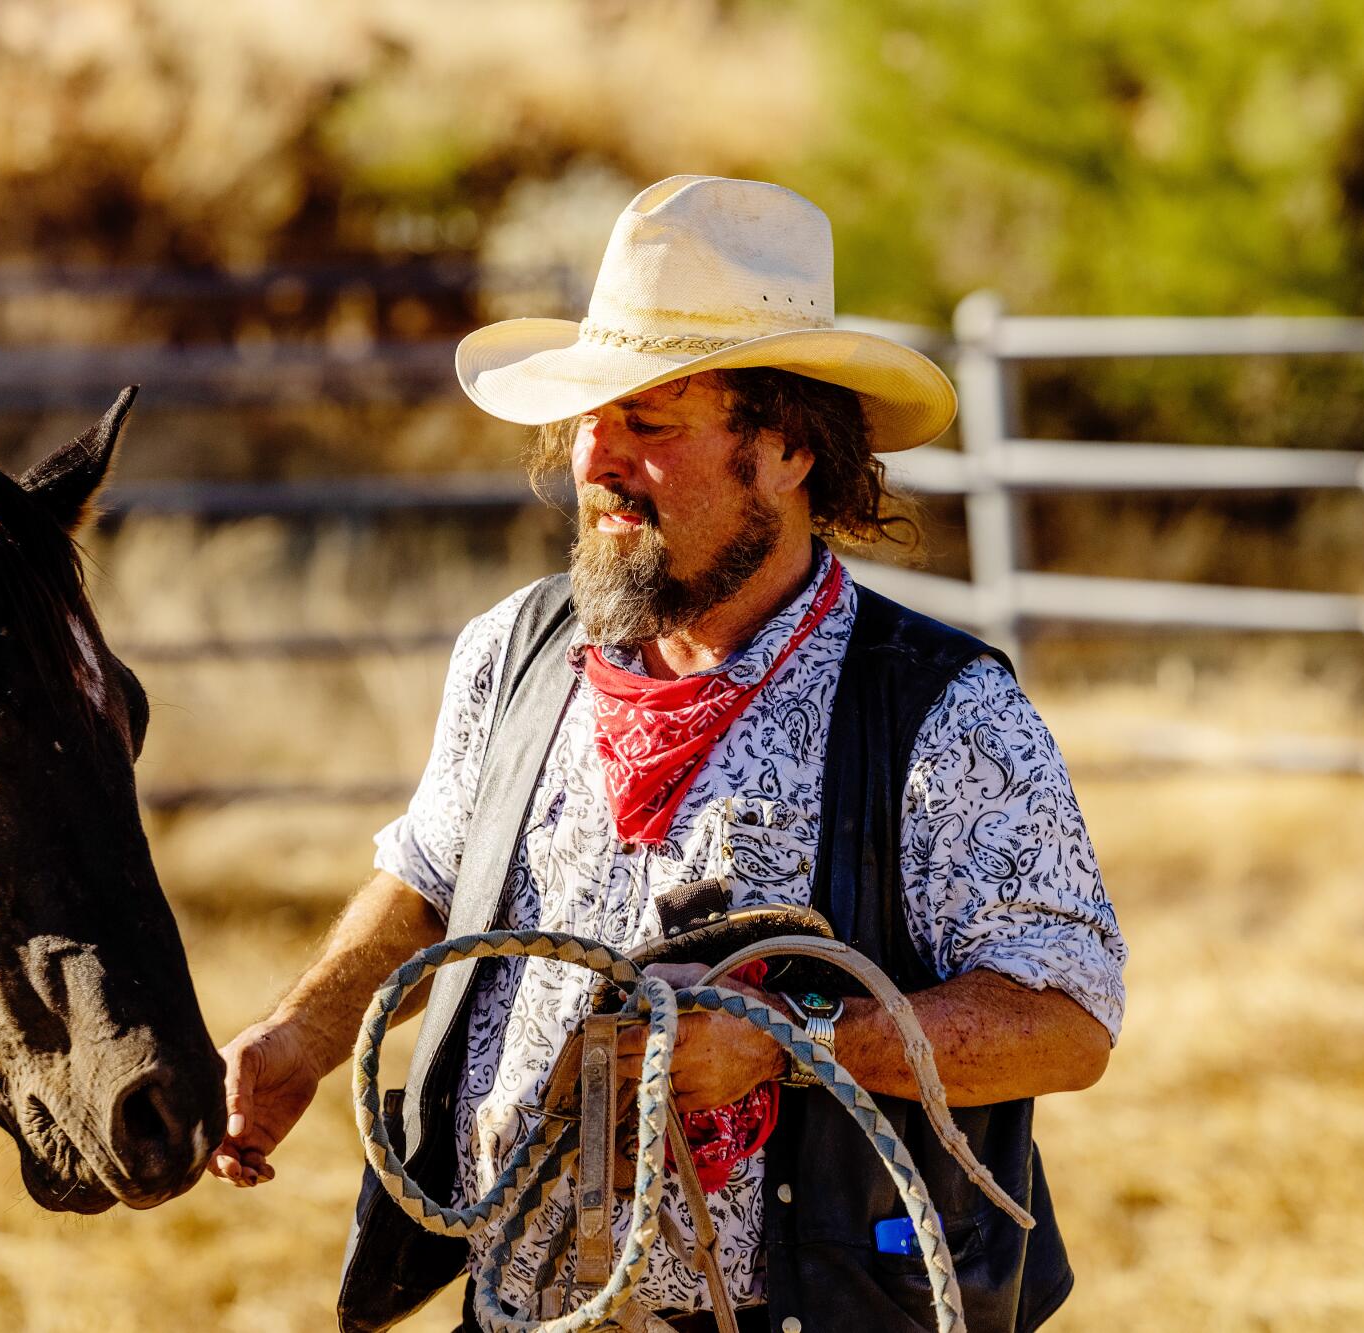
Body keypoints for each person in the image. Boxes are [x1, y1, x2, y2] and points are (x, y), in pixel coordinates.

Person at [207, 175, 1126, 1332]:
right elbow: (435, 884)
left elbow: (1063, 1019)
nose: (596, 458)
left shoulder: (940, 711)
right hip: (523, 1299)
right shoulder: (513, 653)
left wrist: (787, 1044)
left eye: (649, 421)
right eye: (590, 419)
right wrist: (299, 1037)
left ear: (788, 448)